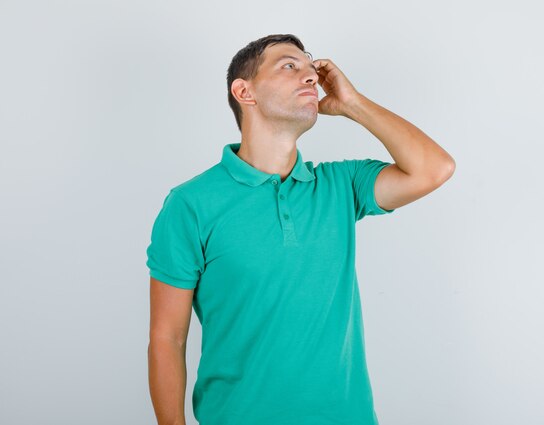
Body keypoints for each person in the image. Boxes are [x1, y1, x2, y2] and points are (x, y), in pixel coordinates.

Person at [146, 33, 455, 425]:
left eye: (311, 69)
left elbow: (434, 169)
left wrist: (353, 104)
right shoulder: (190, 203)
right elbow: (167, 339)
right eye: (289, 66)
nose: (310, 76)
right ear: (245, 92)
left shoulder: (342, 185)